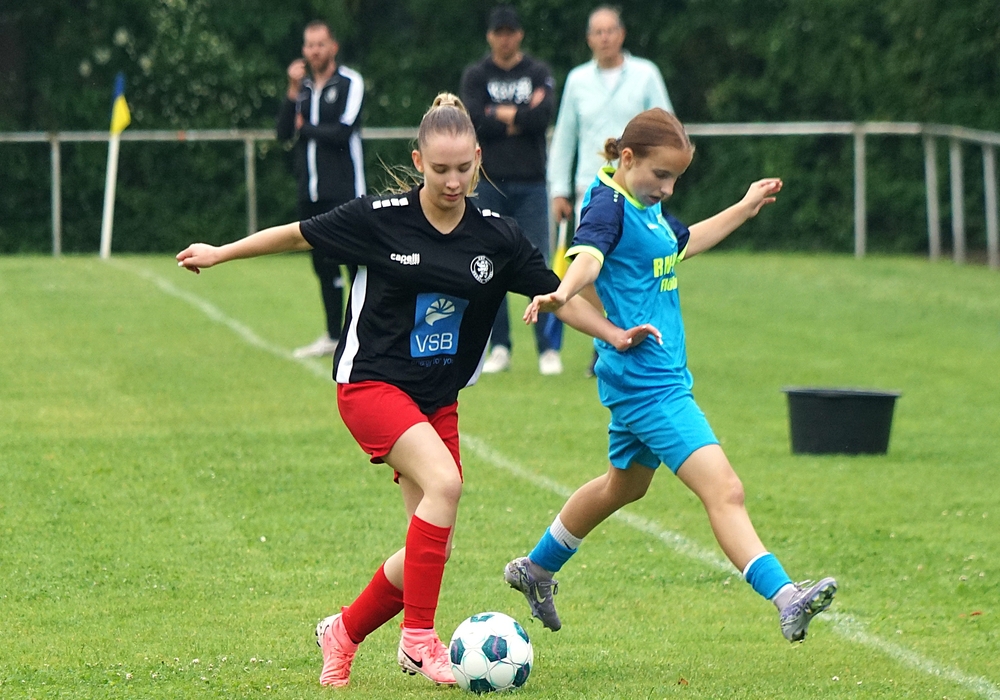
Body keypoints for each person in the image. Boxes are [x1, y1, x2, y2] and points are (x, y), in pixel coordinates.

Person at [177, 94, 660, 688]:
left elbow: (558, 293)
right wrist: (221, 253)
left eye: (463, 168)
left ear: (478, 158)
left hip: (436, 400)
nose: (453, 182)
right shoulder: (380, 218)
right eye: (439, 170)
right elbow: (299, 235)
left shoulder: (497, 236)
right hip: (370, 384)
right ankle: (419, 639)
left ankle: (343, 632)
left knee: (430, 548)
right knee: (446, 485)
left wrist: (614, 334)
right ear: (418, 162)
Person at [504, 108, 837, 644]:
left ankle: (536, 568)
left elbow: (683, 243)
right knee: (725, 489)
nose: (667, 188)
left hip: (646, 376)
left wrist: (744, 207)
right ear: (627, 158)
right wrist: (564, 291)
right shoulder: (609, 206)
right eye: (661, 175)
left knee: (623, 486)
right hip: (649, 385)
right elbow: (588, 257)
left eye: (676, 178)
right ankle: (786, 598)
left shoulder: (644, 205)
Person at [546, 5, 673, 374]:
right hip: (592, 189)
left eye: (610, 31)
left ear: (622, 34)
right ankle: (608, 336)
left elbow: (667, 128)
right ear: (589, 39)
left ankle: (636, 336)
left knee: (636, 268)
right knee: (587, 269)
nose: (604, 38)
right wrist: (558, 189)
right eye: (597, 32)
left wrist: (663, 177)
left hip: (640, 190)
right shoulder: (578, 80)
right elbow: (565, 135)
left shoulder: (646, 74)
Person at [461, 5, 564, 375]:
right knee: (489, 264)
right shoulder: (477, 74)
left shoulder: (537, 71)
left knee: (538, 263)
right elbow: (474, 120)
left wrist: (498, 113)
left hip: (532, 183)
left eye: (510, 32)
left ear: (519, 35)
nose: (504, 39)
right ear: (490, 36)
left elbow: (541, 117)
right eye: (498, 32)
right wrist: (517, 116)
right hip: (488, 182)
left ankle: (547, 348)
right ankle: (499, 346)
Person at [276, 20, 365, 359]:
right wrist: (291, 90)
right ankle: (332, 334)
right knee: (322, 265)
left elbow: (343, 131)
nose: (314, 51)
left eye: (320, 44)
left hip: (344, 190)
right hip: (310, 191)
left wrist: (307, 128)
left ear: (333, 47)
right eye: (309, 45)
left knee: (356, 264)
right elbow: (283, 133)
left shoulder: (349, 82)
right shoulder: (302, 89)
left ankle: (364, 334)